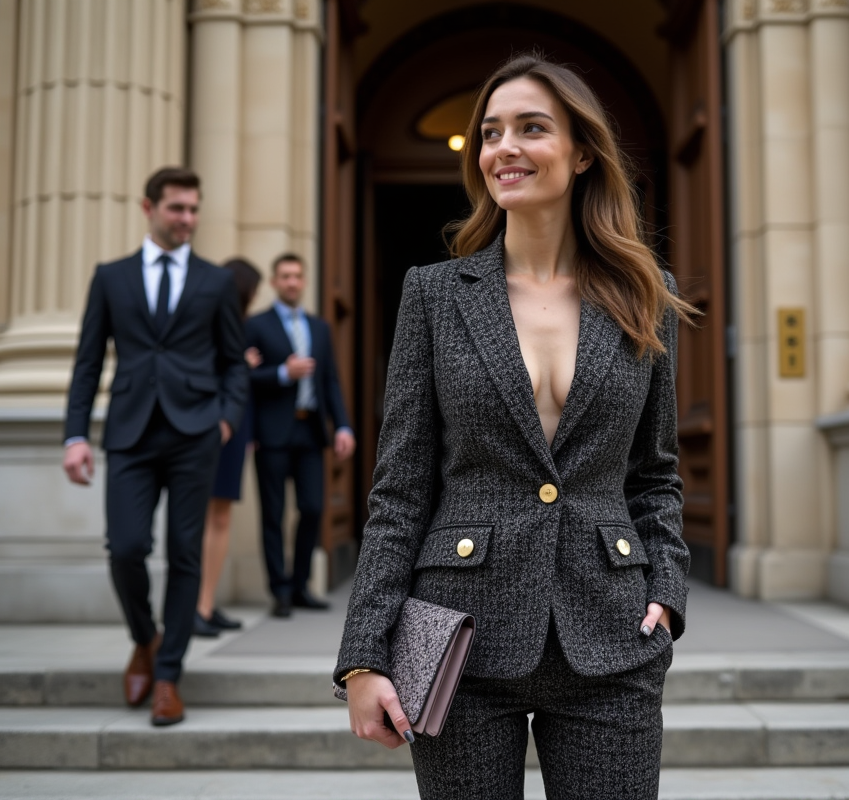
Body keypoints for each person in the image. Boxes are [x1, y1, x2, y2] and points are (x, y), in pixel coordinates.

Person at [335, 53, 695, 799]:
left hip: (613, 632)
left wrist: (667, 588)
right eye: (491, 132)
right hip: (461, 635)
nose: (505, 148)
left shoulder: (644, 293)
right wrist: (364, 655)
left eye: (532, 128)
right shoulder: (434, 295)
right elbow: (398, 486)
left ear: (583, 151)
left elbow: (655, 472)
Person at [62, 167, 247, 726]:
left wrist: (226, 419)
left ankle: (168, 675)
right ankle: (144, 638)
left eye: (194, 209)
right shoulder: (111, 277)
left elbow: (234, 363)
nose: (187, 219)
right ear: (149, 208)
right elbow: (88, 361)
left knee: (185, 556)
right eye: (177, 209)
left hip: (196, 434)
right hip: (130, 432)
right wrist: (74, 434)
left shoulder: (215, 282)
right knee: (125, 547)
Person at [245, 253, 355, 619]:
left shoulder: (319, 328)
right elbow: (243, 378)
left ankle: (300, 585)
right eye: (285, 276)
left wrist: (342, 425)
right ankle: (279, 591)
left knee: (312, 508)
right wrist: (281, 373)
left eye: (297, 276)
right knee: (273, 514)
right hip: (272, 432)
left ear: (304, 281)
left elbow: (330, 381)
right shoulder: (256, 326)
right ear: (275, 282)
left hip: (311, 430)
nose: (292, 282)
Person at [193, 258, 264, 638]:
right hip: (211, 428)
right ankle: (197, 606)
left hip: (234, 429)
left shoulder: (239, 325)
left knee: (219, 517)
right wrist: (239, 363)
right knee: (204, 517)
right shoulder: (210, 323)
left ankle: (206, 603)